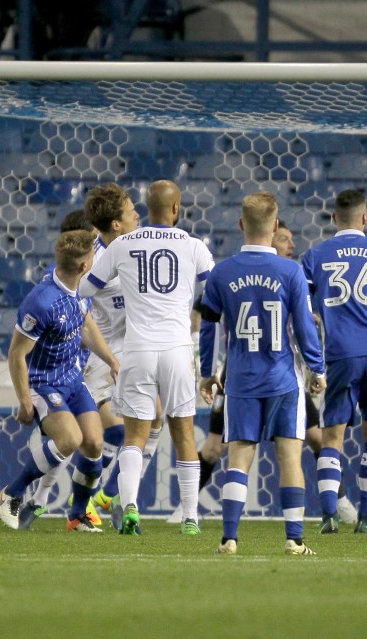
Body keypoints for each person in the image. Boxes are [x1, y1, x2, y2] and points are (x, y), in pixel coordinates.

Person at [183, 220, 358, 525]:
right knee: (217, 448)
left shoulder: (291, 275)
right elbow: (202, 312)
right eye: (285, 238)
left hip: (272, 374)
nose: (292, 245)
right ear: (269, 236)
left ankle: (337, 502)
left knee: (314, 439)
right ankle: (186, 508)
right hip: (251, 374)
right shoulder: (245, 274)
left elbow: (306, 319)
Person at [79, 179, 214, 536]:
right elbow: (212, 293)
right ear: (175, 208)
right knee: (184, 434)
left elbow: (84, 288)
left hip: (136, 349)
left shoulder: (122, 244)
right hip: (176, 348)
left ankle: (131, 507)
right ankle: (190, 519)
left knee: (135, 437)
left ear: (147, 207)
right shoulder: (193, 245)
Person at [197, 192, 325, 556]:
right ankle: (294, 539)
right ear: (275, 226)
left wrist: (208, 373)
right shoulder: (291, 271)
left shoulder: (222, 272)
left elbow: (208, 327)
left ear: (241, 224)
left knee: (239, 457)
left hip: (241, 381)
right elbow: (303, 327)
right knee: (290, 457)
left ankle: (230, 538)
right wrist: (317, 368)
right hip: (283, 379)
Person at [301, 189, 367, 534]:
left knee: (332, 436)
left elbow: (302, 311)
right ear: (365, 218)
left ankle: (330, 515)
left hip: (340, 353)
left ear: (334, 218)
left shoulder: (315, 256)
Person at [0, 229, 119, 533]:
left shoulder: (80, 288)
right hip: (43, 382)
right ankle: (11, 493)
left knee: (94, 443)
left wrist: (112, 360)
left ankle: (77, 516)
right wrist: (25, 400)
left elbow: (86, 326)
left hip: (73, 381)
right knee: (69, 439)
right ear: (84, 265)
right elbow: (16, 354)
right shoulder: (42, 301)